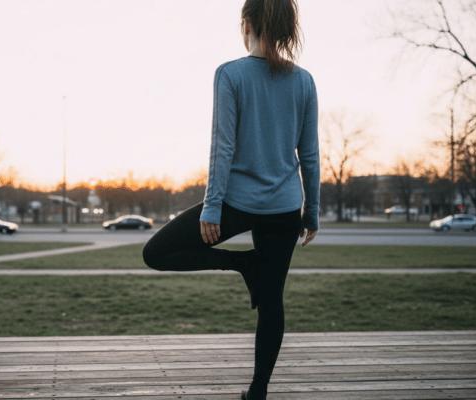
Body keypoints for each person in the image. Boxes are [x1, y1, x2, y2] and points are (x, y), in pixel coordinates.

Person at [142, 0, 318, 398]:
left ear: (247, 25)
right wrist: (313, 211)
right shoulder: (305, 80)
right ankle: (258, 390)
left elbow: (222, 147)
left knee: (156, 253)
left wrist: (212, 205)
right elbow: (309, 155)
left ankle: (242, 266)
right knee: (272, 299)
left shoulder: (230, 74)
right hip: (287, 208)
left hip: (237, 202)